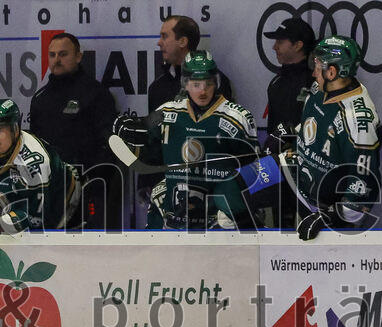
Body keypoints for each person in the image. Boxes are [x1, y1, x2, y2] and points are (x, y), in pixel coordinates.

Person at [114, 50, 260, 230]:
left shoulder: (238, 118)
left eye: (208, 83)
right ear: (185, 83)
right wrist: (131, 142)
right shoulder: (166, 114)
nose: (203, 91)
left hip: (220, 222)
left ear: (216, 82)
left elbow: (255, 171)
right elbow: (147, 159)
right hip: (175, 218)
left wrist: (237, 208)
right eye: (196, 84)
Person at [0, 99, 81, 249]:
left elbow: (35, 219)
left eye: (0, 130)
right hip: (19, 204)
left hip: (65, 209)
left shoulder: (34, 164)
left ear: (15, 130)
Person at [292, 35, 382, 241]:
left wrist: (330, 216)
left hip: (329, 213)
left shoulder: (358, 120)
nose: (313, 72)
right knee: (239, 184)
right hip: (302, 187)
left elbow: (363, 187)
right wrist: (290, 134)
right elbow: (310, 128)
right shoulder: (319, 88)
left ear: (331, 72)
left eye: (317, 66)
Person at [29, 33, 121, 230]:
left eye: (63, 54)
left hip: (89, 190)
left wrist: (92, 180)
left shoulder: (96, 94)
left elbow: (110, 145)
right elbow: (33, 148)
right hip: (50, 192)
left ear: (78, 56)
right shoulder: (40, 98)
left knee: (88, 245)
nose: (56, 60)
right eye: (52, 55)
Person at [262, 17, 317, 228]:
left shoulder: (316, 82)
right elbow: (272, 131)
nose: (274, 47)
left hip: (308, 170)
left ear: (298, 45)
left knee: (307, 227)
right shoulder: (276, 82)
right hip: (277, 168)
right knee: (279, 225)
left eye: (280, 41)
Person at [148, 15, 233, 113]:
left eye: (164, 36)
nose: (159, 43)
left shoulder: (216, 82)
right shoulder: (156, 88)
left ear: (183, 41)